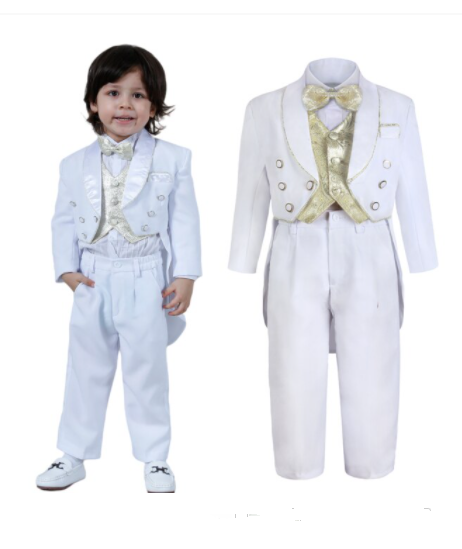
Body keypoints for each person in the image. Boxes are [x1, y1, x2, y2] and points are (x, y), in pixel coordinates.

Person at [228, 57, 437, 480]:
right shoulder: (263, 108)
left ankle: (371, 466)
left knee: (374, 362)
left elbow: (412, 180)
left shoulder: (398, 106)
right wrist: (243, 254)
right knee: (292, 364)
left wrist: (422, 252)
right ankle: (297, 467)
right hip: (295, 239)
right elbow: (251, 185)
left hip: (369, 240)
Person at [36, 44, 201, 493]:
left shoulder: (174, 159)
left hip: (147, 276)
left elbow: (185, 220)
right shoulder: (73, 164)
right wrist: (67, 270)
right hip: (92, 277)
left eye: (138, 95)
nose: (125, 105)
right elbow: (63, 219)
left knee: (147, 369)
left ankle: (155, 457)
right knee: (85, 367)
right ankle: (73, 453)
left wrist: (185, 274)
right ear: (93, 102)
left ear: (154, 106)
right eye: (113, 92)